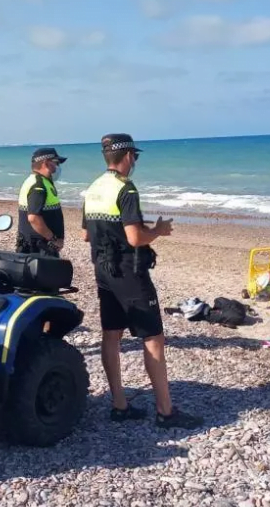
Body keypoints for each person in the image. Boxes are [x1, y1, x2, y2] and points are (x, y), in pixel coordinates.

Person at [80, 133, 202, 429]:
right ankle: (165, 411)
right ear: (128, 157)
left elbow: (86, 234)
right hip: (128, 272)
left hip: (103, 269)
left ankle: (119, 405)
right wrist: (158, 231)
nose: (135, 161)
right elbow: (135, 237)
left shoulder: (94, 188)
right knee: (153, 339)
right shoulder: (126, 189)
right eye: (135, 156)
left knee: (112, 334)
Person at [16, 147, 66, 257]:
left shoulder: (39, 181)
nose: (58, 167)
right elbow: (33, 217)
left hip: (40, 247)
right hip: (39, 249)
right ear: (46, 163)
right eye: (56, 163)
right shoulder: (38, 185)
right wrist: (53, 239)